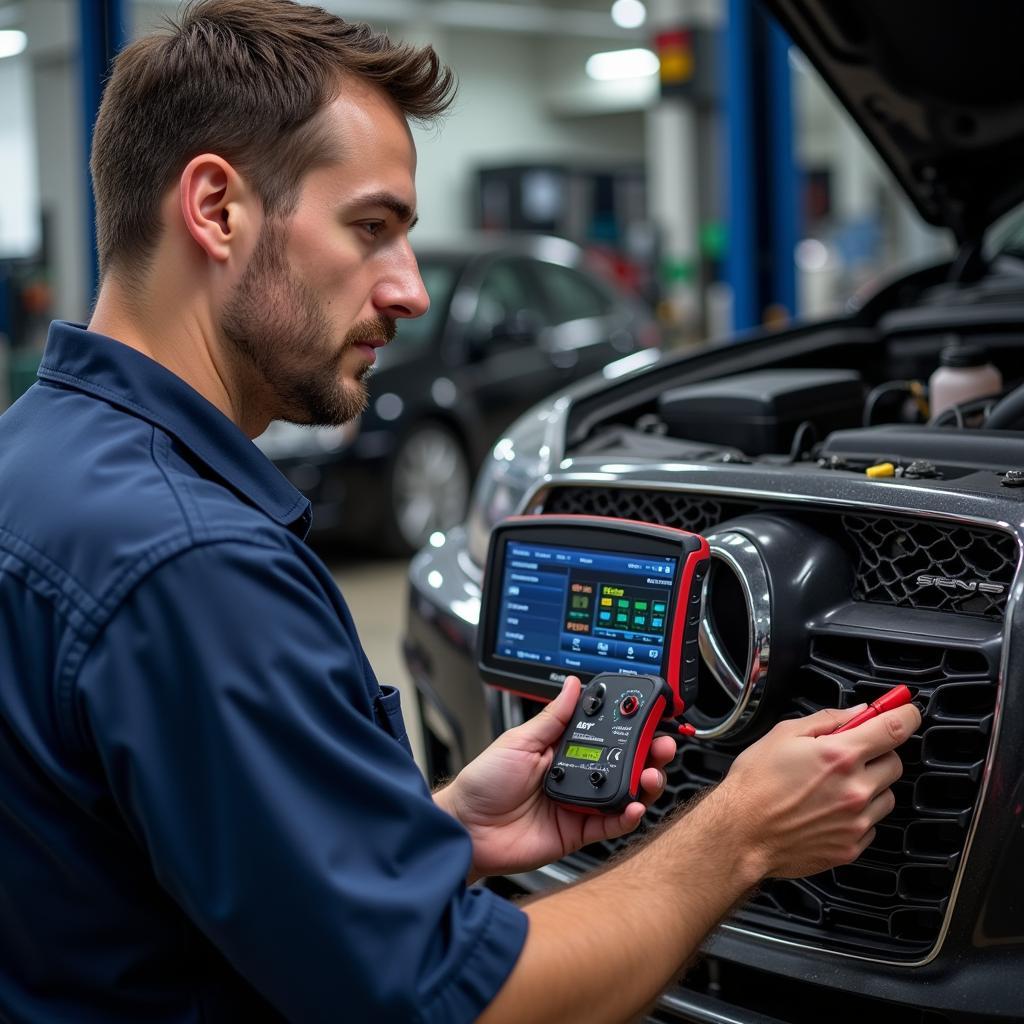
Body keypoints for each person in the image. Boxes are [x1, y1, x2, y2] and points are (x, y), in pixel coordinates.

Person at [0, 2, 921, 1022]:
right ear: (216, 209)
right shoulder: (191, 564)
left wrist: (437, 835)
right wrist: (741, 829)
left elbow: (144, 870)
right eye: (370, 227)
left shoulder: (33, 462)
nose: (409, 290)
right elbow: (449, 1004)